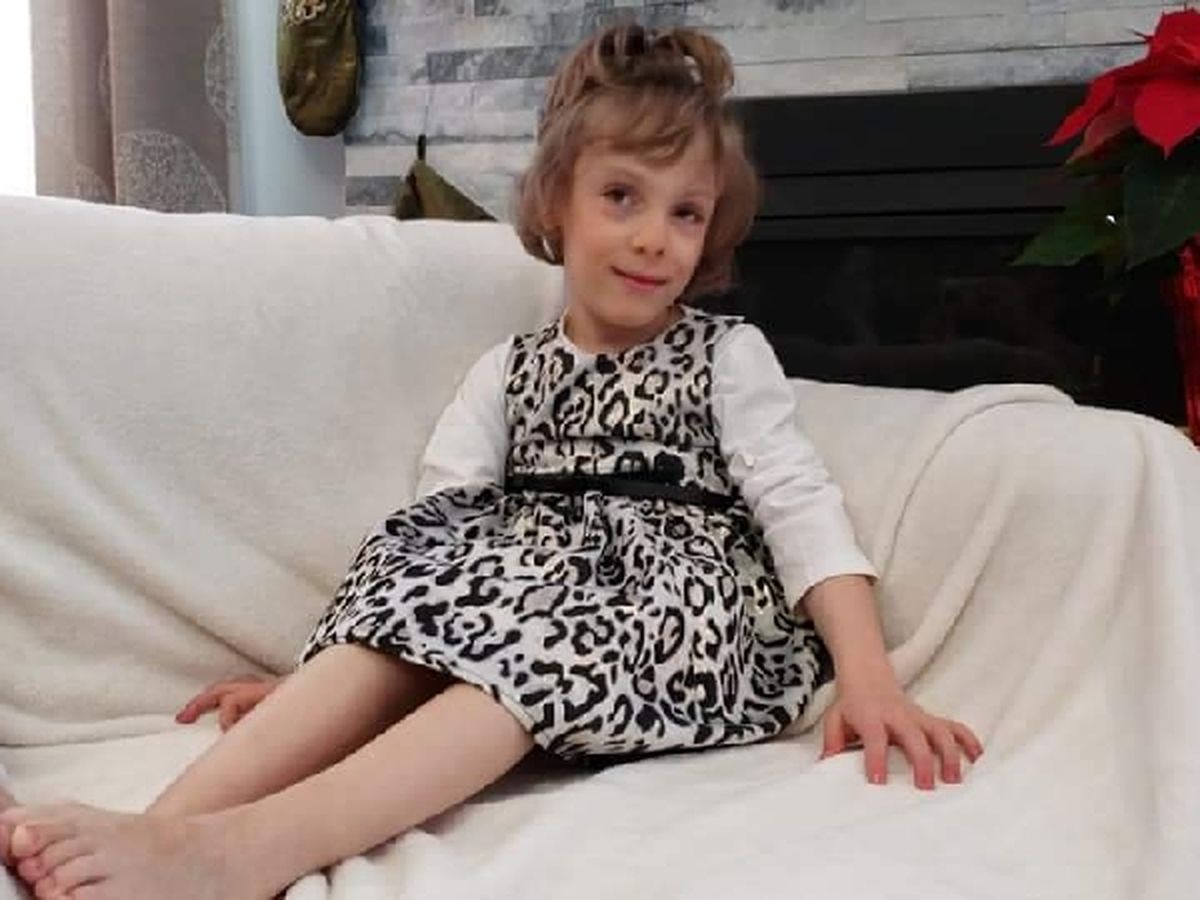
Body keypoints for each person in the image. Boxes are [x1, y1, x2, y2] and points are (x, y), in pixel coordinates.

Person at [0, 23, 982, 900]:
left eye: (687, 213)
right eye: (622, 198)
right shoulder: (508, 370)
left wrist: (869, 678)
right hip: (531, 590)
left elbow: (798, 504)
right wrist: (317, 685)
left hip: (674, 610)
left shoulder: (726, 355)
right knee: (421, 579)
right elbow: (438, 540)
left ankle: (241, 857)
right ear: (558, 203)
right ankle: (158, 831)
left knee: (522, 655)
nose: (654, 239)